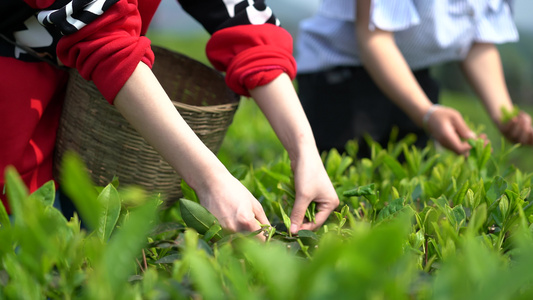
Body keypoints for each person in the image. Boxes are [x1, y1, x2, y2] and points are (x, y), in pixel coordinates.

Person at [0, 0, 339, 236]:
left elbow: (242, 17)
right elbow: (100, 34)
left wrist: (304, 152)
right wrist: (211, 181)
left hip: (84, 117)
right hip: (15, 119)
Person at [295, 0, 533, 158]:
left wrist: (504, 116)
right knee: (342, 192)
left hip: (412, 73)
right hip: (339, 73)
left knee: (408, 191)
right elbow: (374, 38)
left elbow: (476, 41)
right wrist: (426, 113)